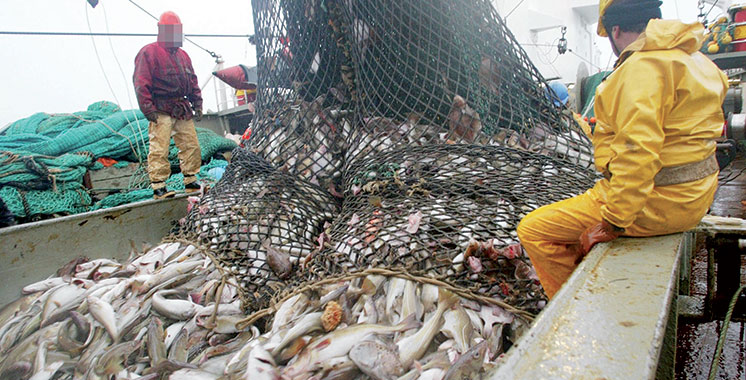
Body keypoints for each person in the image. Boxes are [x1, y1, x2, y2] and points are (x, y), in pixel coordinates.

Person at [516, 0, 728, 299]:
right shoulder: (700, 63)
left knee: (533, 229)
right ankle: (585, 275)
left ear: (616, 30)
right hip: (696, 198)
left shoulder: (642, 68)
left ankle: (573, 307)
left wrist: (613, 222)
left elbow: (637, 154)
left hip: (656, 206)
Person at [133, 11, 203, 199]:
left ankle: (190, 180)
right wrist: (148, 109)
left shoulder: (184, 56)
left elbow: (192, 81)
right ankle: (159, 186)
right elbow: (141, 83)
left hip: (182, 107)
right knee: (159, 147)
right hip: (161, 109)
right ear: (162, 31)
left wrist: (197, 103)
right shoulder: (149, 52)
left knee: (191, 145)